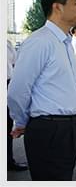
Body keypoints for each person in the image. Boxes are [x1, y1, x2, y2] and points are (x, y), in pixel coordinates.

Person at [8, 0, 76, 180]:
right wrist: (22, 121)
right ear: (57, 7)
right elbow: (18, 90)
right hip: (50, 128)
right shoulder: (40, 41)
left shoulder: (65, 42)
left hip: (71, 126)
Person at [6, 39, 27, 173]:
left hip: (7, 83)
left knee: (6, 126)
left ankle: (8, 161)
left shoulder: (6, 43)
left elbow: (15, 62)